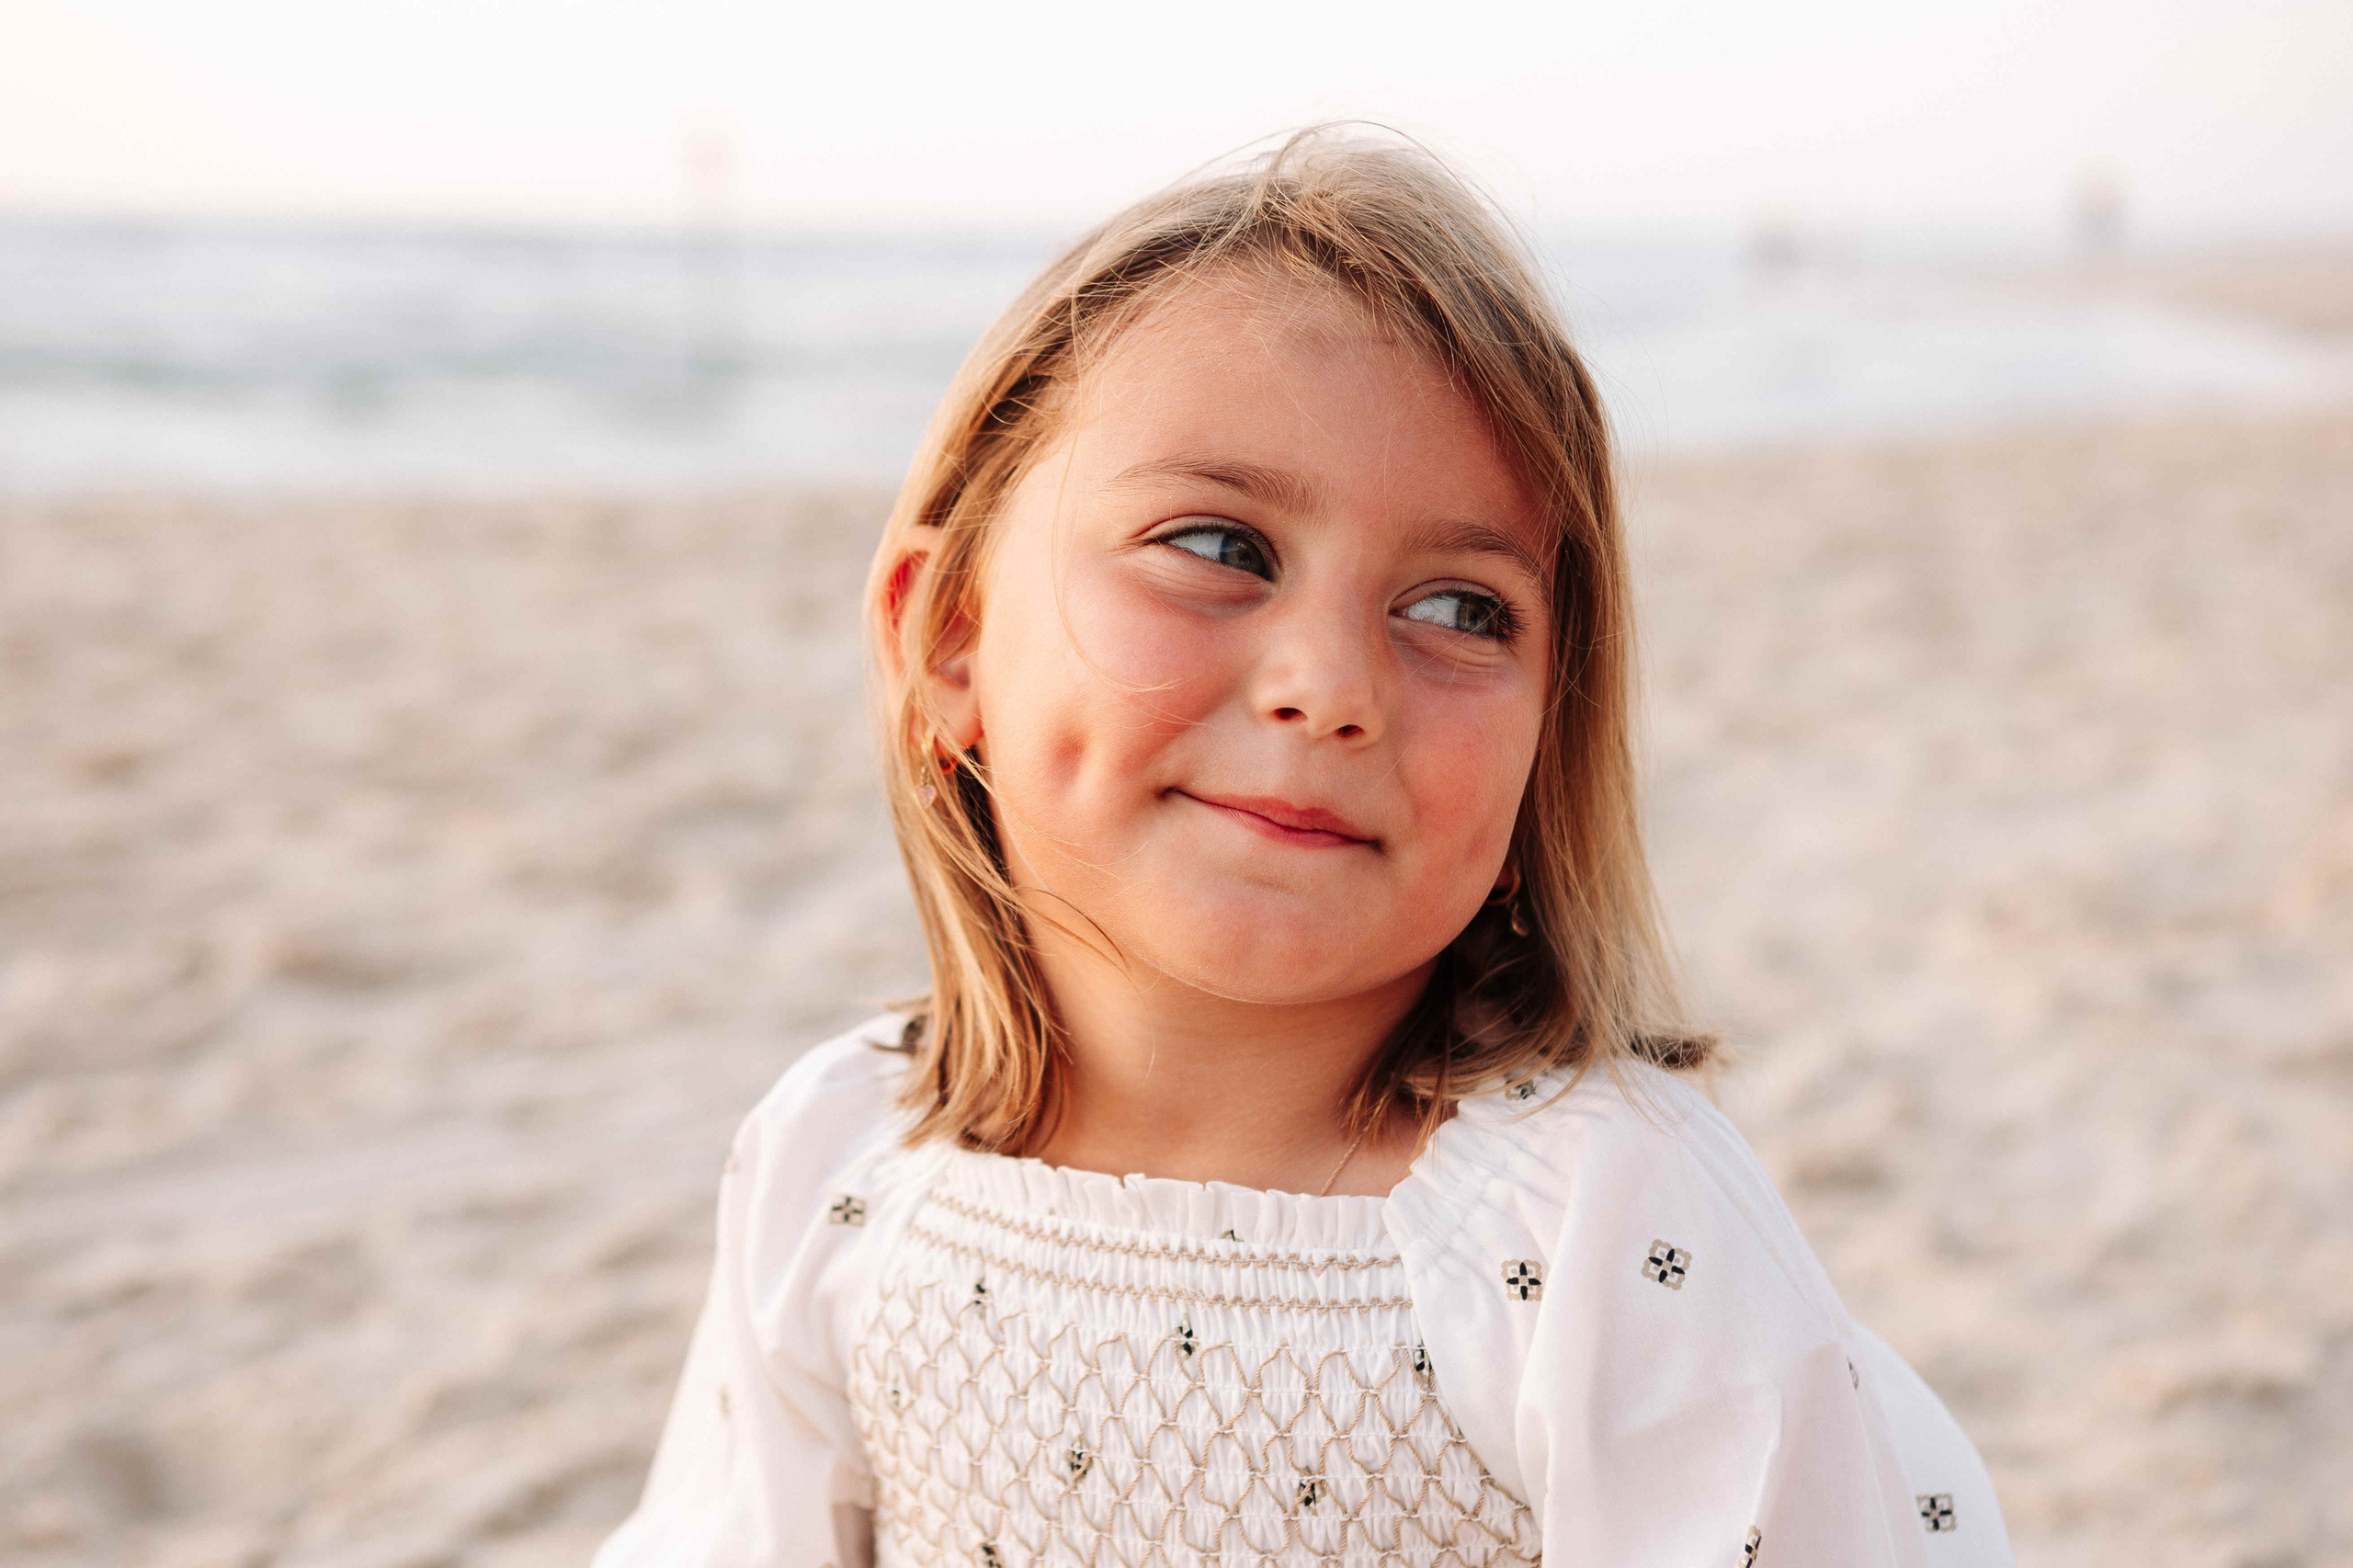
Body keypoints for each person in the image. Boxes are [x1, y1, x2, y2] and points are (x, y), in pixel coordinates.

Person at [594, 127, 2012, 1568]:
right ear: (948, 636)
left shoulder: (1600, 1220)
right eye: (1219, 546)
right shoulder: (838, 1160)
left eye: (1460, 610)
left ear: (1545, 757)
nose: (1330, 685)